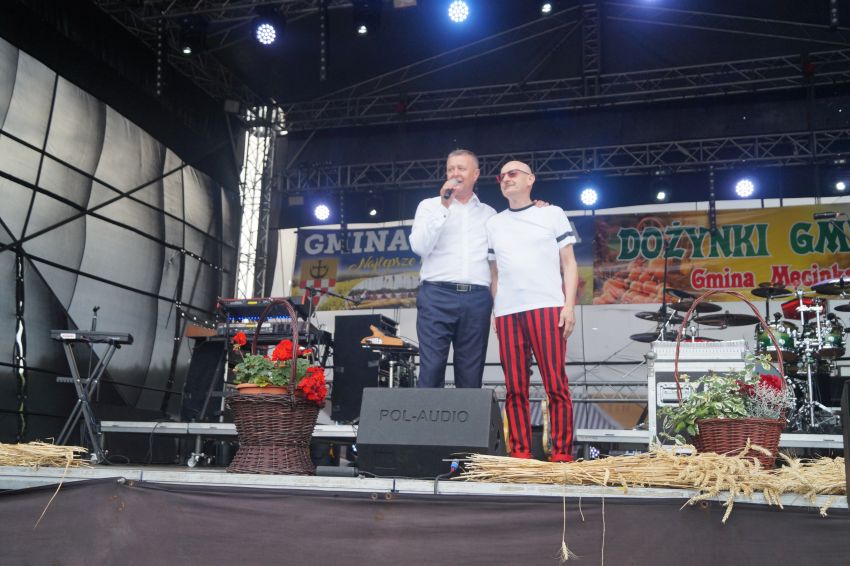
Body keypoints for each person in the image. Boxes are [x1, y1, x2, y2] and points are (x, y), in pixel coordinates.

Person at [486, 160, 578, 462]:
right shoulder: (494, 224)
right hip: (508, 312)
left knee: (555, 383)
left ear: (530, 179)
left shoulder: (551, 213)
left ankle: (562, 454)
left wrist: (569, 306)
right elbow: (495, 273)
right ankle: (520, 453)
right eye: (501, 176)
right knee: (514, 387)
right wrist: (496, 310)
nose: (506, 178)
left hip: (547, 306)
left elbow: (569, 263)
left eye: (513, 173)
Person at [409, 149, 496, 388]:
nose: (455, 173)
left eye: (461, 168)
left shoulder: (489, 214)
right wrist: (443, 207)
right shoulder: (429, 206)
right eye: (450, 169)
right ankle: (427, 415)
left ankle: (467, 416)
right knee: (431, 369)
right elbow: (419, 246)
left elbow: (496, 263)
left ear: (475, 174)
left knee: (471, 374)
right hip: (436, 295)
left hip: (477, 298)